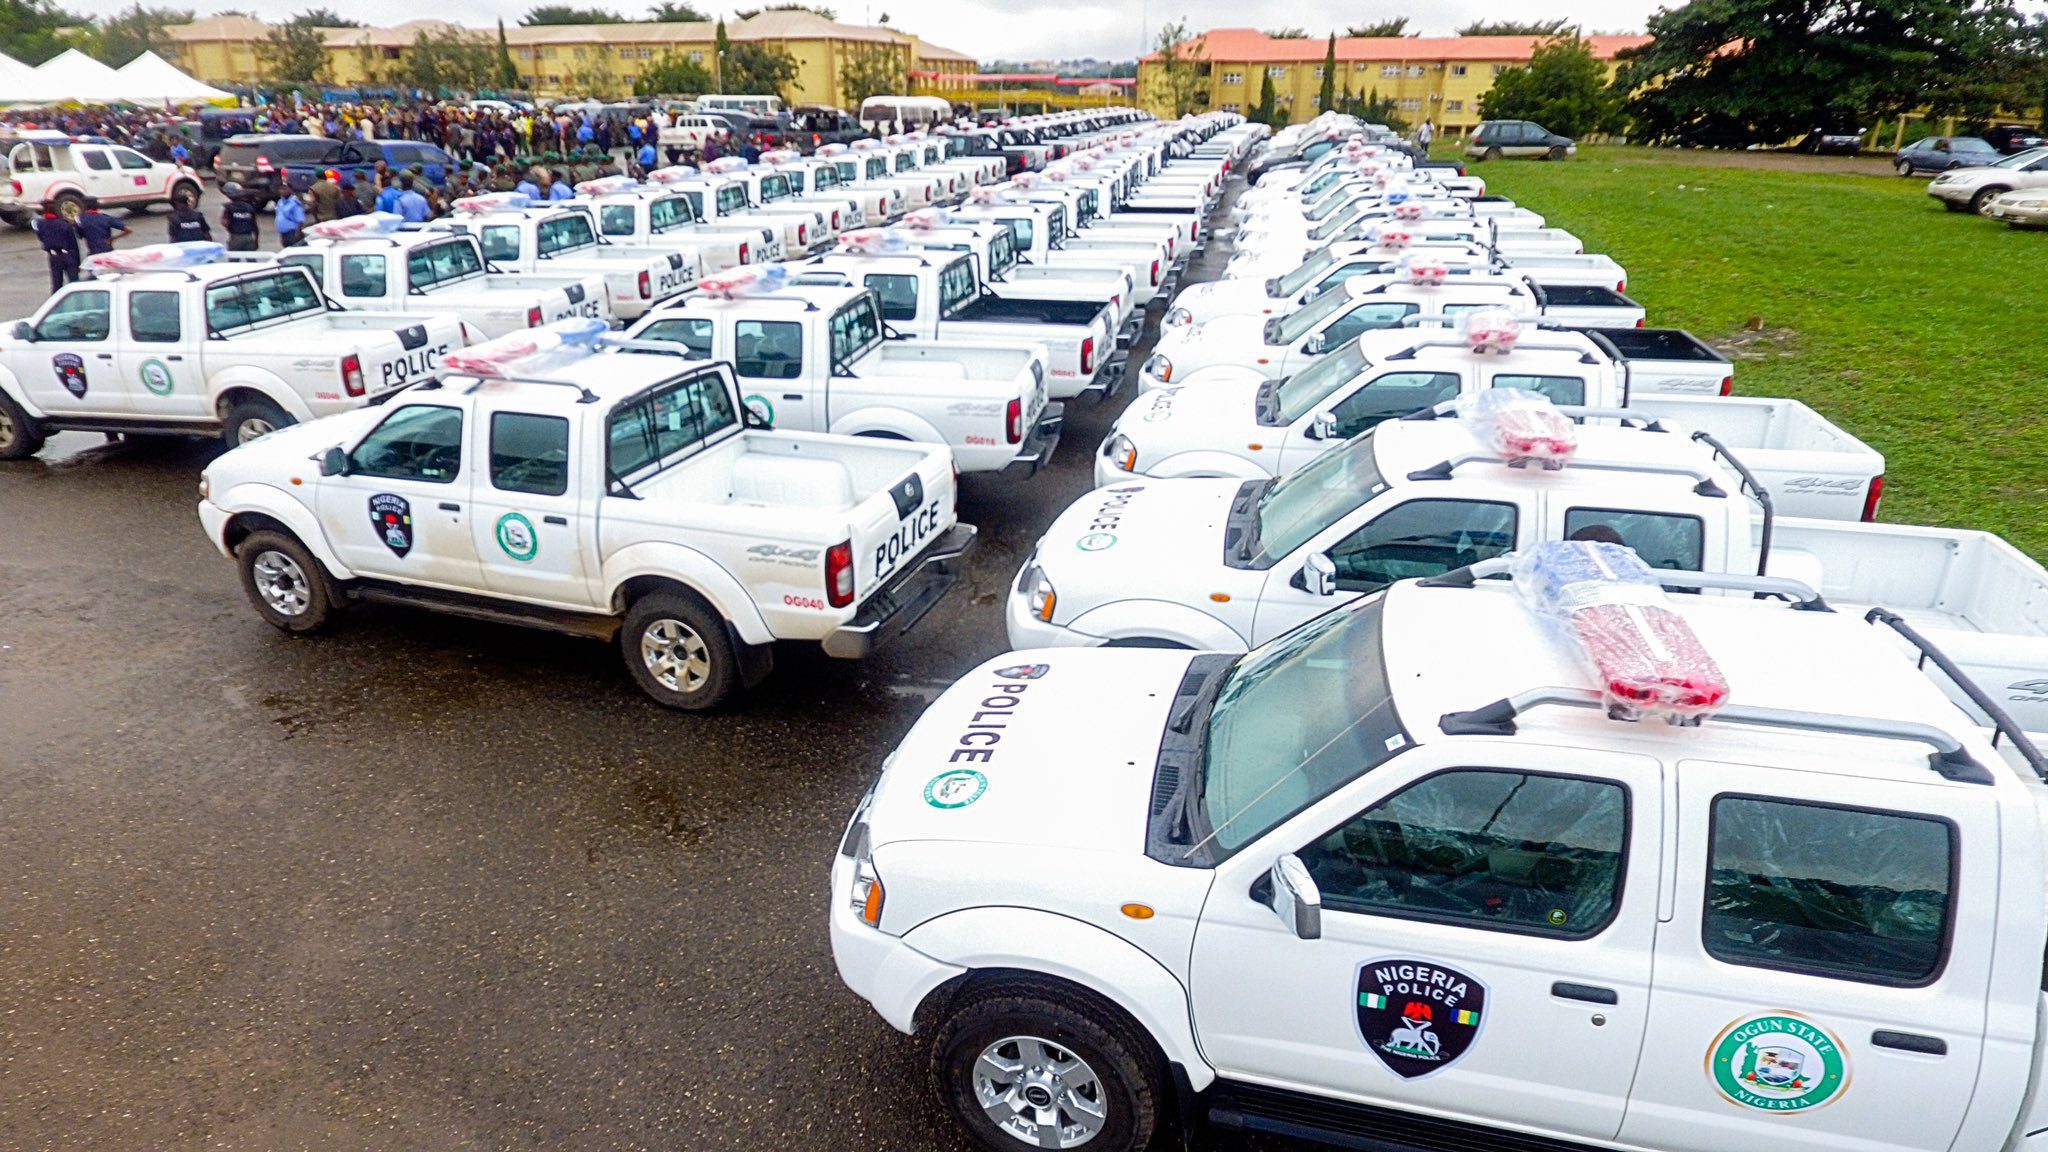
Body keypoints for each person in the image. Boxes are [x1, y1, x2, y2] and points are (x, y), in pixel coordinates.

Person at [35, 203, 80, 291]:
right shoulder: (64, 224)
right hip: (68, 255)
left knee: (56, 283)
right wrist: (77, 262)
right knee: (74, 282)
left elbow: (41, 237)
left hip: (54, 256)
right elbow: (73, 244)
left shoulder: (41, 225)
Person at [220, 182, 260, 251]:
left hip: (236, 237)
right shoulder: (249, 207)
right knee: (251, 259)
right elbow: (255, 225)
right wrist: (256, 240)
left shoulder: (228, 208)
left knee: (234, 259)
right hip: (249, 237)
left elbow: (225, 222)